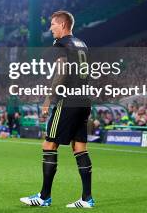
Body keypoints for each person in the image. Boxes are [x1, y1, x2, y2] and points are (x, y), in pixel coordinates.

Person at [20, 11, 95, 208]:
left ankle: (44, 197)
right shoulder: (82, 44)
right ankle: (87, 199)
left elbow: (61, 71)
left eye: (53, 24)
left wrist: (48, 99)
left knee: (49, 144)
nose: (50, 28)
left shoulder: (60, 44)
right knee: (79, 147)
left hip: (68, 100)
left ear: (62, 25)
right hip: (84, 99)